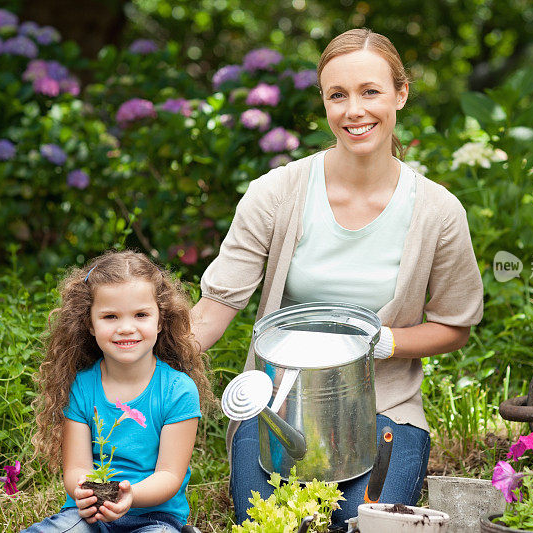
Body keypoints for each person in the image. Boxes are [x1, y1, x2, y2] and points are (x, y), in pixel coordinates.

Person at [192, 28, 484, 528]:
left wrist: (376, 342)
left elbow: (455, 326)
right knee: (274, 525)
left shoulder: (438, 211)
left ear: (401, 93)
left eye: (370, 91)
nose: (355, 111)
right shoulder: (276, 194)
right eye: (338, 95)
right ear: (324, 103)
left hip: (384, 408)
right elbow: (212, 312)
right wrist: (134, 373)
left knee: (364, 524)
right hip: (278, 409)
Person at [24, 250, 214, 533]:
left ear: (160, 321)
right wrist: (85, 492)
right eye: (110, 316)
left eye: (141, 315)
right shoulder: (81, 387)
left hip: (155, 518)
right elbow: (76, 468)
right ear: (89, 323)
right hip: (90, 516)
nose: (126, 328)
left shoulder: (177, 390)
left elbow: (169, 475)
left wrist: (130, 496)